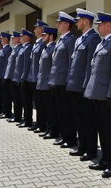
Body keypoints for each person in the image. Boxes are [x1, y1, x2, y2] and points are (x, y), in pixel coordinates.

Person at [84, 11, 111, 178]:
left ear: (108, 25)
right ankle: (105, 159)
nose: (98, 27)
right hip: (97, 95)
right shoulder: (102, 44)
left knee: (110, 131)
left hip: (108, 97)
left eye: (100, 24)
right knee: (102, 130)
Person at [66, 8, 101, 161]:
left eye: (78, 20)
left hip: (83, 87)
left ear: (85, 21)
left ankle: (91, 150)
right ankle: (82, 146)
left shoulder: (93, 39)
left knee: (88, 120)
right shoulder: (80, 39)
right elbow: (73, 63)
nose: (76, 23)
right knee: (79, 119)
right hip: (75, 85)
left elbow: (90, 66)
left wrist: (86, 87)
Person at [49, 11, 77, 148]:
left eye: (60, 23)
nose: (57, 25)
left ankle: (71, 138)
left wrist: (68, 81)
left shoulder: (71, 39)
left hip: (64, 81)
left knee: (67, 112)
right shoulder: (61, 39)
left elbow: (72, 63)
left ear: (67, 24)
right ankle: (64, 136)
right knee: (60, 111)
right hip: (57, 81)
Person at [35, 25, 59, 139]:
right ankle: (48, 128)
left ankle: (53, 130)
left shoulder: (53, 48)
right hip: (42, 83)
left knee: (51, 109)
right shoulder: (45, 48)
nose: (42, 36)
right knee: (45, 108)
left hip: (48, 84)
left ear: (51, 36)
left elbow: (54, 67)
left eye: (45, 35)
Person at [27, 19, 48, 133]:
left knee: (41, 104)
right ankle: (39, 123)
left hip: (38, 78)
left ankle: (42, 124)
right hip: (33, 77)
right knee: (38, 103)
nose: (34, 30)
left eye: (36, 28)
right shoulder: (36, 44)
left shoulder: (42, 44)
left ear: (41, 29)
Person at [12, 28, 33, 128]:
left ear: (26, 37)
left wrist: (23, 78)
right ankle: (25, 119)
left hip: (23, 79)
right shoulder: (22, 48)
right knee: (23, 100)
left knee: (26, 101)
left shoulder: (28, 48)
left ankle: (28, 120)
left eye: (21, 36)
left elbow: (26, 65)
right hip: (19, 78)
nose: (19, 37)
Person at [4, 31, 23, 123]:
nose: (12, 39)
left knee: (17, 99)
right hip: (12, 77)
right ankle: (16, 115)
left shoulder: (19, 48)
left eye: (13, 38)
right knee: (14, 98)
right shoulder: (15, 49)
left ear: (18, 39)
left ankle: (18, 116)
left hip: (15, 77)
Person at [0, 32, 13, 119]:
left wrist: (5, 76)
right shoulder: (3, 50)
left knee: (6, 96)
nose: (1, 40)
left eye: (2, 38)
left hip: (4, 76)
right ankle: (3, 111)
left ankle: (7, 112)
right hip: (0, 75)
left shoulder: (8, 49)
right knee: (2, 95)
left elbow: (6, 64)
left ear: (5, 39)